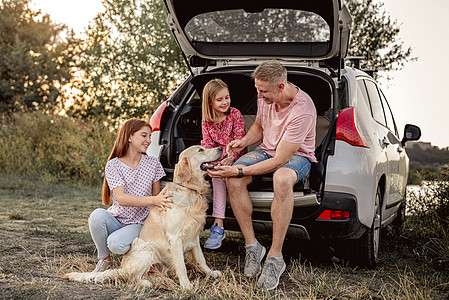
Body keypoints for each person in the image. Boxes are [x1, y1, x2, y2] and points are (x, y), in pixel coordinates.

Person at [207, 60, 317, 290]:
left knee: (282, 178)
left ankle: (275, 258)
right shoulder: (264, 96)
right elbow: (258, 126)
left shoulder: (302, 109)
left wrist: (239, 169)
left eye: (263, 91)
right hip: (266, 150)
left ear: (281, 86)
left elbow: (280, 160)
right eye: (257, 89)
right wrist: (243, 142)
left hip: (297, 157)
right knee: (233, 180)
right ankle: (252, 247)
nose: (259, 95)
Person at [88, 118, 173, 272]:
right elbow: (121, 198)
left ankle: (135, 256)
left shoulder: (153, 164)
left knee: (115, 244)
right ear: (129, 137)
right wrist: (154, 199)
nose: (148, 141)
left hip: (140, 223)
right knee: (96, 216)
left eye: (150, 137)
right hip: (117, 219)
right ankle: (105, 260)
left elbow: (157, 202)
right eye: (144, 136)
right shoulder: (113, 165)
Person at [201, 78, 246, 249]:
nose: (225, 102)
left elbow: (240, 140)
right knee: (211, 175)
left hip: (237, 155)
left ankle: (218, 225)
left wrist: (231, 157)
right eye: (219, 100)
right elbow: (207, 145)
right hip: (216, 157)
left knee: (219, 177)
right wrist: (208, 163)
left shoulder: (235, 114)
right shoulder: (207, 121)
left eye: (227, 97)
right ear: (210, 102)